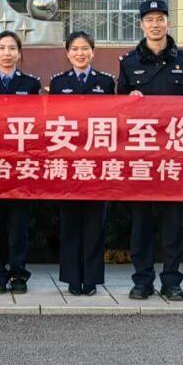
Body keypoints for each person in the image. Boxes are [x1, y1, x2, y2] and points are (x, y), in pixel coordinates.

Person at [115, 0, 183, 301]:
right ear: (141, 25)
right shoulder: (129, 63)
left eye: (160, 19)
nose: (155, 25)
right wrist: (129, 101)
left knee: (173, 224)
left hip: (175, 157)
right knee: (141, 223)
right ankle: (142, 281)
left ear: (168, 22)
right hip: (141, 156)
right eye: (149, 19)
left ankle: (171, 281)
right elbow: (117, 111)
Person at [0, 30, 42, 294]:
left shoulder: (31, 84)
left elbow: (38, 124)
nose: (7, 53)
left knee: (18, 228)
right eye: (2, 48)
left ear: (19, 54)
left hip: (21, 165)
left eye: (12, 48)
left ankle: (19, 275)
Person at [49, 30, 115, 296]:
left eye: (85, 48)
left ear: (93, 52)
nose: (80, 53)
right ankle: (72, 278)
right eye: (75, 49)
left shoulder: (106, 83)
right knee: (70, 223)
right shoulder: (58, 83)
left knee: (95, 224)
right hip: (68, 163)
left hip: (97, 164)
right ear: (67, 53)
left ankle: (91, 279)